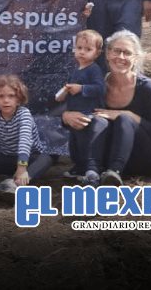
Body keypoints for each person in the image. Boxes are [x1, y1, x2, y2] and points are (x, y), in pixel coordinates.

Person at [62, 30, 151, 186]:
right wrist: (66, 117)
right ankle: (93, 173)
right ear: (107, 54)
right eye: (116, 51)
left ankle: (114, 172)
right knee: (96, 121)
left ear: (136, 58)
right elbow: (76, 114)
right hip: (105, 157)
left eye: (127, 53)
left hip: (144, 157)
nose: (121, 57)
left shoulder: (148, 89)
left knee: (124, 119)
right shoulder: (95, 84)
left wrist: (129, 115)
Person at [56, 29, 106, 186]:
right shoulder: (75, 70)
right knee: (74, 143)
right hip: (74, 112)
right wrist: (64, 92)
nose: (82, 52)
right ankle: (78, 167)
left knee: (86, 143)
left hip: (88, 113)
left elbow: (100, 89)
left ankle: (90, 171)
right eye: (79, 48)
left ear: (97, 53)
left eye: (88, 49)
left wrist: (82, 89)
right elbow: (70, 88)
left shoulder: (94, 70)